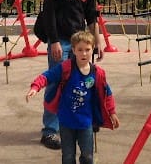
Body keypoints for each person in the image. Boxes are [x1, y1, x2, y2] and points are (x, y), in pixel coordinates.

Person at [35, 0, 102, 150]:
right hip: (60, 40)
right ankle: (50, 130)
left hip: (78, 42)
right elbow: (49, 11)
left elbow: (91, 16)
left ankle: (76, 123)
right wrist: (53, 40)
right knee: (56, 82)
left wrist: (97, 43)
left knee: (80, 83)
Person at [26, 30, 119, 164]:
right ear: (73, 50)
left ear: (92, 49)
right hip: (66, 122)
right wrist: (35, 87)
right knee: (68, 157)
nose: (84, 53)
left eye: (87, 49)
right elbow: (48, 76)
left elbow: (106, 93)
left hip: (85, 122)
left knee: (87, 156)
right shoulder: (66, 68)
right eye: (80, 50)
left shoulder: (97, 73)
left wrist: (112, 112)